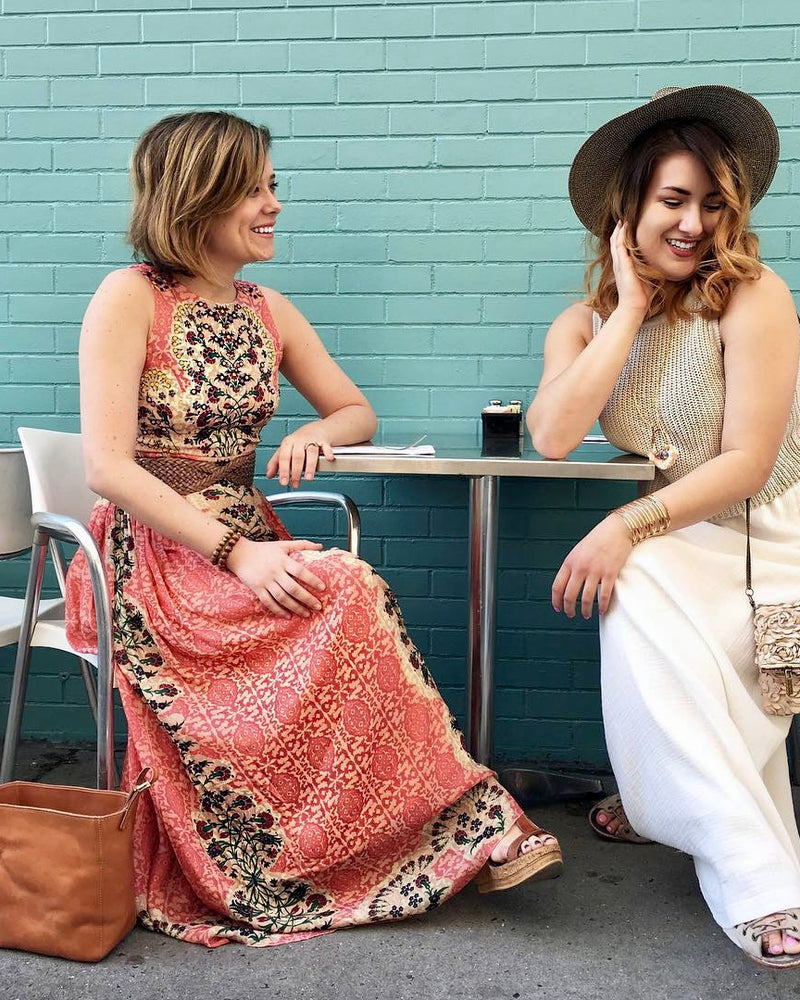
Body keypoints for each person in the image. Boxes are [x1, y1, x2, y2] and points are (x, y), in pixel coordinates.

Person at [64, 110, 561, 948]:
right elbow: (108, 468)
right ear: (198, 195)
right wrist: (238, 553)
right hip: (155, 552)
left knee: (348, 594)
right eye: (254, 189)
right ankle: (461, 825)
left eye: (273, 186)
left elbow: (355, 409)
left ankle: (417, 832)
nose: (274, 205)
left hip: (245, 535)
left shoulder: (269, 309)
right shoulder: (130, 297)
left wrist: (316, 433)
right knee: (349, 586)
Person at [527, 86, 800, 968]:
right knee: (637, 579)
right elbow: (553, 434)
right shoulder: (585, 323)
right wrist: (629, 312)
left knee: (632, 568)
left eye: (712, 203)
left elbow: (748, 463)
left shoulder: (753, 296)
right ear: (628, 212)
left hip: (767, 534)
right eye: (673, 201)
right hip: (683, 537)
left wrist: (625, 524)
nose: (693, 224)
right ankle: (759, 880)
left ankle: (671, 813)